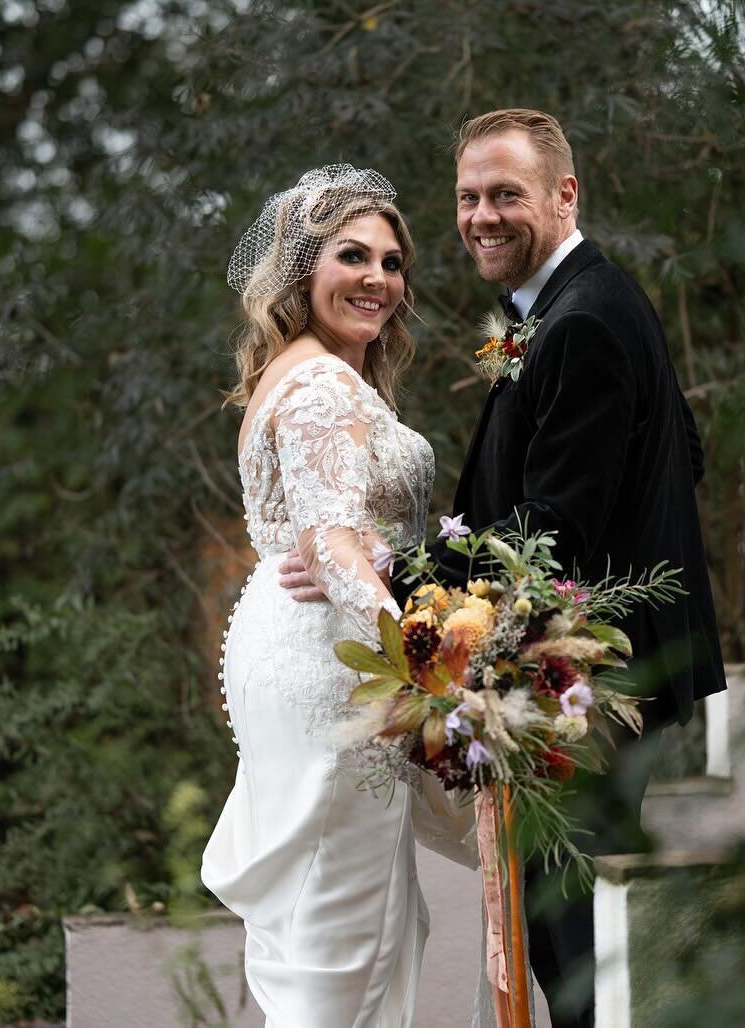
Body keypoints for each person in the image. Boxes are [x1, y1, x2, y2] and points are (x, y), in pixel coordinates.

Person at [280, 111, 729, 1026]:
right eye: (468, 198)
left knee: (577, 954)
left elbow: (553, 526)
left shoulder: (585, 322)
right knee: (575, 937)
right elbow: (680, 446)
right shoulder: (566, 308)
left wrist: (397, 570)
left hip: (590, 678)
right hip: (592, 665)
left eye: (506, 195)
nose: (482, 216)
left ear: (566, 195)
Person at [200, 164, 471, 1028]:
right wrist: (437, 683)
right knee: (343, 941)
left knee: (329, 930)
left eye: (392, 263)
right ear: (301, 269)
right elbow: (335, 548)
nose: (378, 280)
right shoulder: (319, 383)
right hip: (338, 666)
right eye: (352, 256)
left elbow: (342, 544)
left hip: (306, 651)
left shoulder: (297, 371)